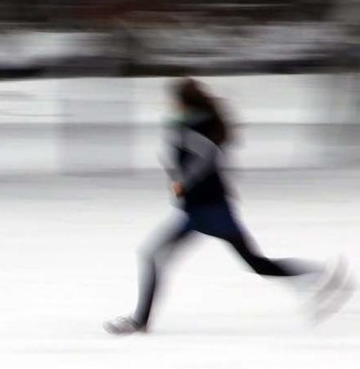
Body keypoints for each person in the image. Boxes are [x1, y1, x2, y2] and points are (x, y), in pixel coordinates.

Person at [105, 77, 347, 335]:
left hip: (210, 209)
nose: (169, 103)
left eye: (173, 99)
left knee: (253, 263)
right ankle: (141, 321)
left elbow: (208, 155)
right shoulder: (193, 124)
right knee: (158, 255)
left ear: (184, 102)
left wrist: (183, 181)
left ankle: (320, 276)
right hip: (200, 208)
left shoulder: (192, 127)